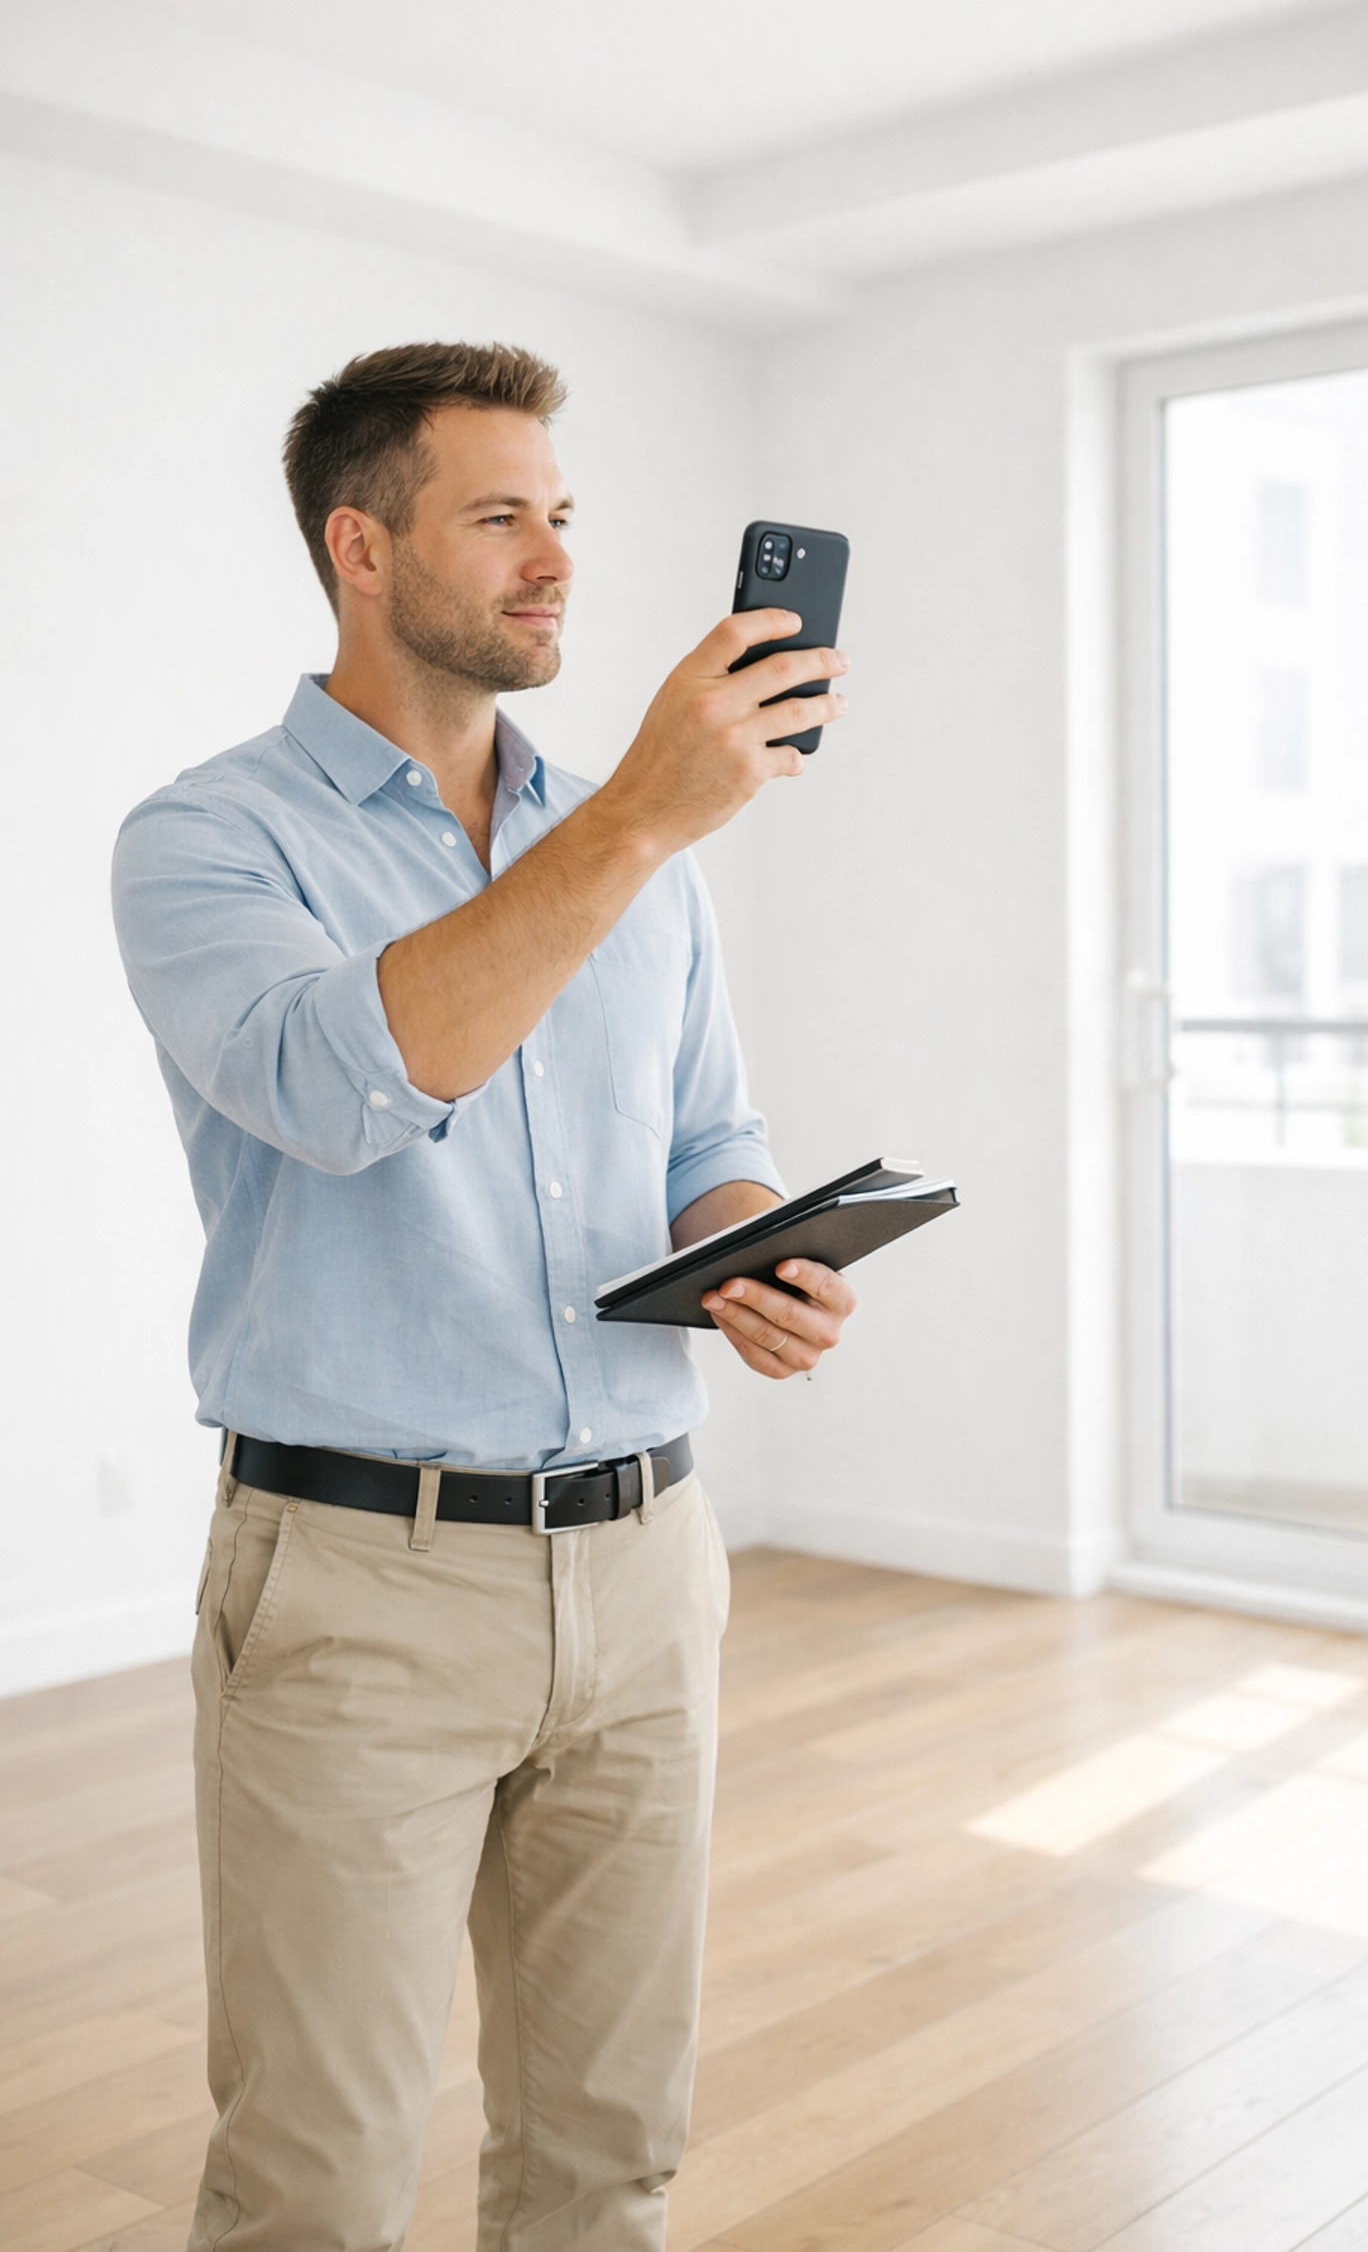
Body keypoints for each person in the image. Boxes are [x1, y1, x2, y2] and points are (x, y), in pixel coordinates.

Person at [111, 339, 857, 2252]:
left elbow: (710, 1133)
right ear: (361, 548)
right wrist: (636, 825)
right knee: (317, 2181)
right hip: (360, 1593)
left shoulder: (639, 844)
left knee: (611, 2157)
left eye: (565, 516)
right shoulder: (208, 840)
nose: (556, 563)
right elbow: (343, 1086)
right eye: (501, 517)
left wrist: (756, 1246)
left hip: (647, 1568)